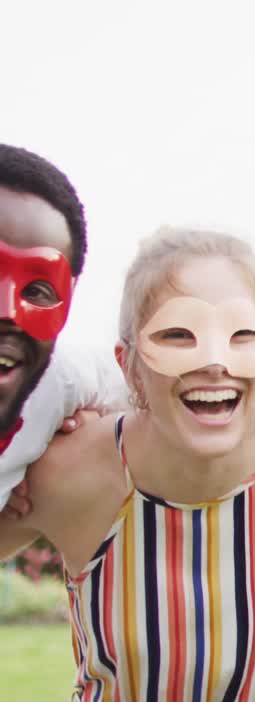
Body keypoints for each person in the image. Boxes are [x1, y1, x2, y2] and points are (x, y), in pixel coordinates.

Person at [0, 227, 255, 702]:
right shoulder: (72, 474)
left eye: (242, 334)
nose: (214, 362)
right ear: (131, 368)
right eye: (178, 335)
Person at [0, 143, 122, 515]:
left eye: (37, 290)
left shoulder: (61, 383)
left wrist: (85, 432)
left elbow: (154, 397)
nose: (7, 312)